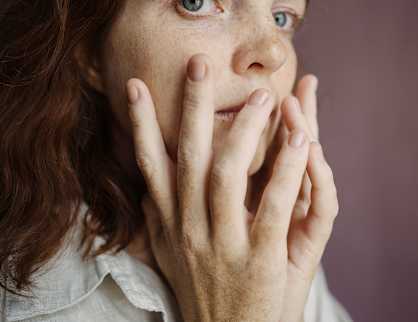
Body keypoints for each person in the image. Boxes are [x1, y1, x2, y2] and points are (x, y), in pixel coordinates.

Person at [0, 0, 353, 321]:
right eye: (195, 4)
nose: (272, 52)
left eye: (281, 17)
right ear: (90, 47)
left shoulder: (278, 246)